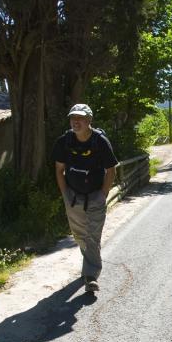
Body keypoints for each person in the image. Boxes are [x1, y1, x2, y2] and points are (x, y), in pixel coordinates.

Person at [52, 104, 118, 292]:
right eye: (73, 117)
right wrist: (65, 194)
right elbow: (59, 170)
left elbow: (111, 169)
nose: (75, 121)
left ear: (89, 120)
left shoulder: (100, 141)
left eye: (80, 118)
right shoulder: (64, 141)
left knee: (93, 236)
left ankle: (91, 276)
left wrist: (103, 194)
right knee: (80, 236)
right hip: (73, 196)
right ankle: (88, 266)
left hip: (95, 196)